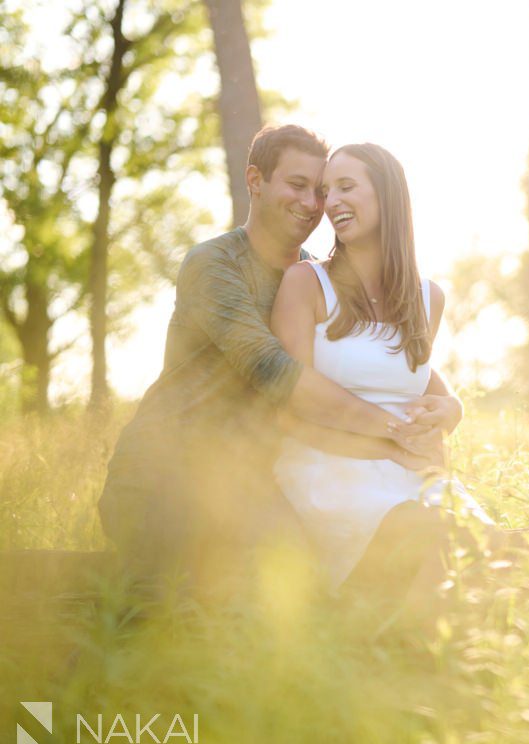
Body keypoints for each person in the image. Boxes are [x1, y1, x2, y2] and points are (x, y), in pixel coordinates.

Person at [98, 125, 460, 586]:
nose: (315, 205)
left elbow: (384, 355)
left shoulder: (316, 275)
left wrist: (451, 406)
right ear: (255, 181)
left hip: (248, 478)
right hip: (167, 473)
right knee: (168, 616)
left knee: (305, 590)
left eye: (321, 190)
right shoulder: (215, 265)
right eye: (298, 185)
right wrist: (396, 437)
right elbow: (275, 373)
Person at [270, 143, 494, 594]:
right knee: (426, 534)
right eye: (325, 191)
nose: (330, 202)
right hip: (328, 464)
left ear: (387, 195)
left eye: (346, 187)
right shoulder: (306, 282)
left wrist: (452, 409)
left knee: (486, 542)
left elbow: (412, 377)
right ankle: (402, 652)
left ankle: (426, 653)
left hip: (409, 468)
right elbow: (289, 410)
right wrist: (389, 445)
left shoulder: (427, 297)